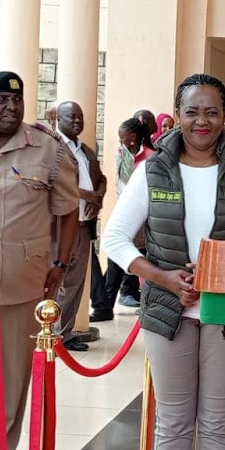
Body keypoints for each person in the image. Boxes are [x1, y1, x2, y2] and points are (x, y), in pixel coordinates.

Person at [102, 74, 225, 449]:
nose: (201, 121)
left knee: (218, 423)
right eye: (191, 111)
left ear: (224, 117)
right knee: (172, 423)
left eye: (211, 112)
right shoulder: (152, 170)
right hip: (165, 308)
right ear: (177, 114)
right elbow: (114, 239)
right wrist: (165, 278)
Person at [0, 71, 80, 450]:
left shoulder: (47, 148)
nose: (11, 107)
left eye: (16, 100)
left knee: (10, 381)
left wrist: (61, 263)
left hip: (21, 284)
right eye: (1, 100)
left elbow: (68, 210)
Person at [54, 101, 107, 351]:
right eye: (71, 116)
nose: (77, 121)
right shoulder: (52, 147)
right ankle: (49, 333)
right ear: (58, 119)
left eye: (80, 116)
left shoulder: (86, 150)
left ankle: (64, 334)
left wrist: (97, 197)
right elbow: (53, 183)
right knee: (56, 281)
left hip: (84, 225)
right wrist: (88, 195)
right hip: (61, 224)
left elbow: (103, 179)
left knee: (76, 282)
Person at [90, 117, 154, 321]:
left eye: (122, 138)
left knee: (143, 262)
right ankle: (106, 304)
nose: (120, 142)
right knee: (115, 256)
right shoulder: (122, 155)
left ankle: (143, 303)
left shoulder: (151, 158)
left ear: (133, 138)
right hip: (125, 215)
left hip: (144, 220)